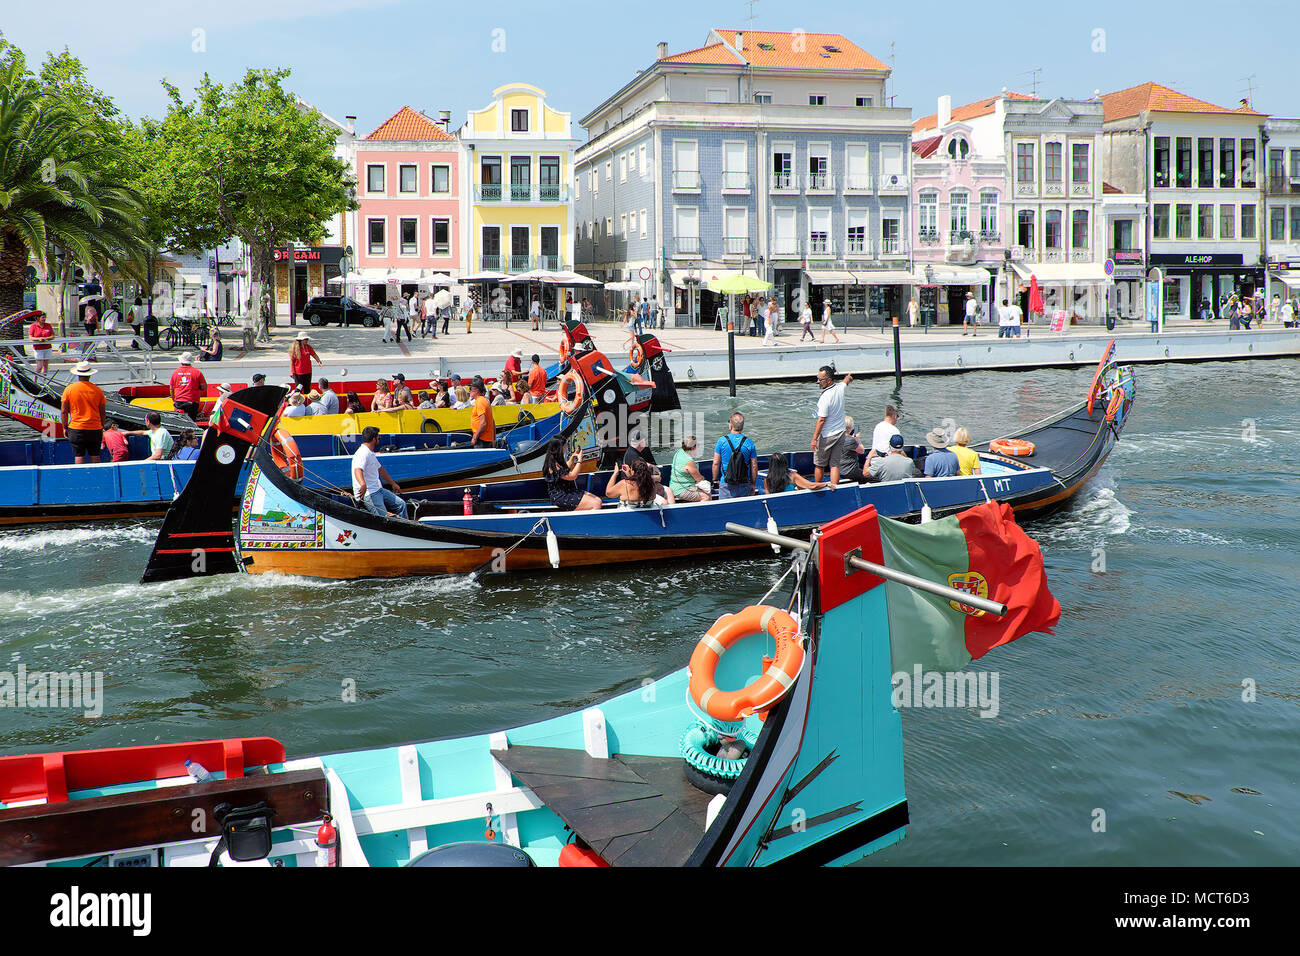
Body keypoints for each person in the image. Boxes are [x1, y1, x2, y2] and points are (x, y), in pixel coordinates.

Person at [811, 366, 853, 488]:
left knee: (819, 464)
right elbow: (845, 382)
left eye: (820, 379)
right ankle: (835, 489)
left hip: (827, 435)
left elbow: (821, 420)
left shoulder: (825, 397)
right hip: (840, 433)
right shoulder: (839, 388)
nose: (817, 381)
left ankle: (817, 488)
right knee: (834, 465)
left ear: (828, 380)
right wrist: (848, 378)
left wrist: (814, 439)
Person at [352, 425, 405, 517]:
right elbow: (358, 469)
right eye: (379, 438)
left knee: (401, 504)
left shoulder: (370, 452)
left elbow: (380, 469)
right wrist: (363, 484)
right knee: (384, 517)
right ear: (374, 439)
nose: (379, 440)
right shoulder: (363, 453)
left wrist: (393, 483)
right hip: (370, 493)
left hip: (378, 489)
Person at [60, 361, 106, 464]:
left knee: (79, 454)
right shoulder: (98, 391)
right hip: (95, 428)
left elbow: (64, 411)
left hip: (76, 428)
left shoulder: (69, 390)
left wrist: (64, 427)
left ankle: (81, 477)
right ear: (90, 374)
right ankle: (95, 477)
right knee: (95, 454)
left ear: (77, 374)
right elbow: (102, 413)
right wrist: (101, 426)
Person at [542, 438, 601, 511]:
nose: (565, 448)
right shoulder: (553, 465)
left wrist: (573, 457)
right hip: (561, 496)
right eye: (564, 447)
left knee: (598, 500)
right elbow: (573, 476)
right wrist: (579, 461)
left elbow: (565, 468)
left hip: (568, 491)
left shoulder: (555, 459)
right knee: (596, 504)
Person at [712, 412, 757, 499]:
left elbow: (716, 463)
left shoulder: (722, 441)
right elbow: (754, 466)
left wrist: (714, 480)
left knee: (725, 510)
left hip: (726, 483)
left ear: (730, 425)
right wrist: (753, 484)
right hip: (744, 483)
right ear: (742, 427)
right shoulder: (749, 442)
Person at [669, 436, 711, 502]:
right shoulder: (689, 461)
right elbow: (698, 479)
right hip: (682, 489)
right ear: (693, 447)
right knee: (706, 497)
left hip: (674, 486)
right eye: (698, 445)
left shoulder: (679, 452)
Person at [169, 352, 207, 421]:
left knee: (180, 422)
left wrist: (174, 400)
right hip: (192, 401)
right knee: (192, 422)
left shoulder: (175, 373)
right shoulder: (197, 372)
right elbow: (204, 388)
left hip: (179, 401)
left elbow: (171, 389)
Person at [838, 416, 867, 483]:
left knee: (863, 467)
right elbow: (862, 451)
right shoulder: (851, 440)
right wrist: (857, 439)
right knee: (872, 477)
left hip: (839, 469)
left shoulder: (837, 437)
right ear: (851, 427)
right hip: (850, 471)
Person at [469, 378, 495, 448]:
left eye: (470, 388)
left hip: (482, 440)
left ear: (477, 390)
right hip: (485, 438)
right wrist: (493, 439)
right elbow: (492, 421)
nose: (469, 391)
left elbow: (483, 423)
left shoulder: (480, 402)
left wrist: (475, 438)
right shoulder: (484, 400)